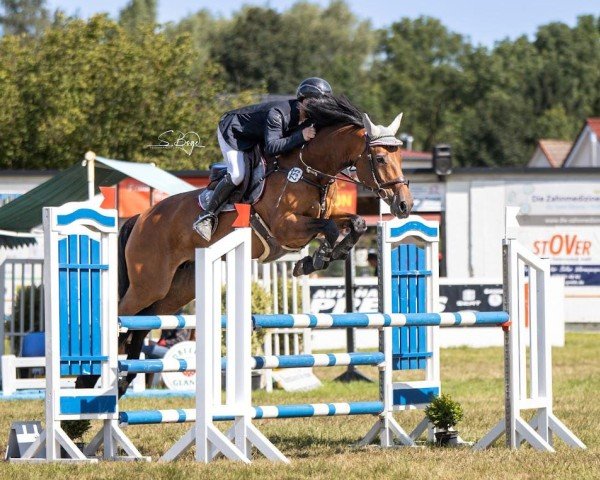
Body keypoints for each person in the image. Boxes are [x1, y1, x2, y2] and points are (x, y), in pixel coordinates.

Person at [193, 77, 333, 241]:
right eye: (316, 102)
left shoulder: (309, 118)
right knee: (238, 174)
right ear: (304, 100)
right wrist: (301, 136)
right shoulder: (278, 114)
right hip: (233, 132)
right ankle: (207, 216)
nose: (320, 107)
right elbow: (272, 148)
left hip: (257, 136)